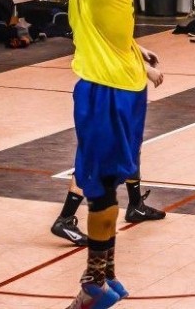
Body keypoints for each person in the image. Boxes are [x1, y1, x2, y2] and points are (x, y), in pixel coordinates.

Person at [0, 0, 149, 309]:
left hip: (104, 88)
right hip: (128, 85)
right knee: (108, 182)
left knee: (97, 186)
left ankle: (93, 283)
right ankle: (107, 274)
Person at [51, 57, 164, 248]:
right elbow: (109, 53)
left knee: (130, 146)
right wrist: (144, 68)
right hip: (103, 90)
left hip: (119, 87)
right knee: (95, 158)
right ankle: (65, 218)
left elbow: (116, 47)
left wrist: (138, 51)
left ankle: (136, 205)